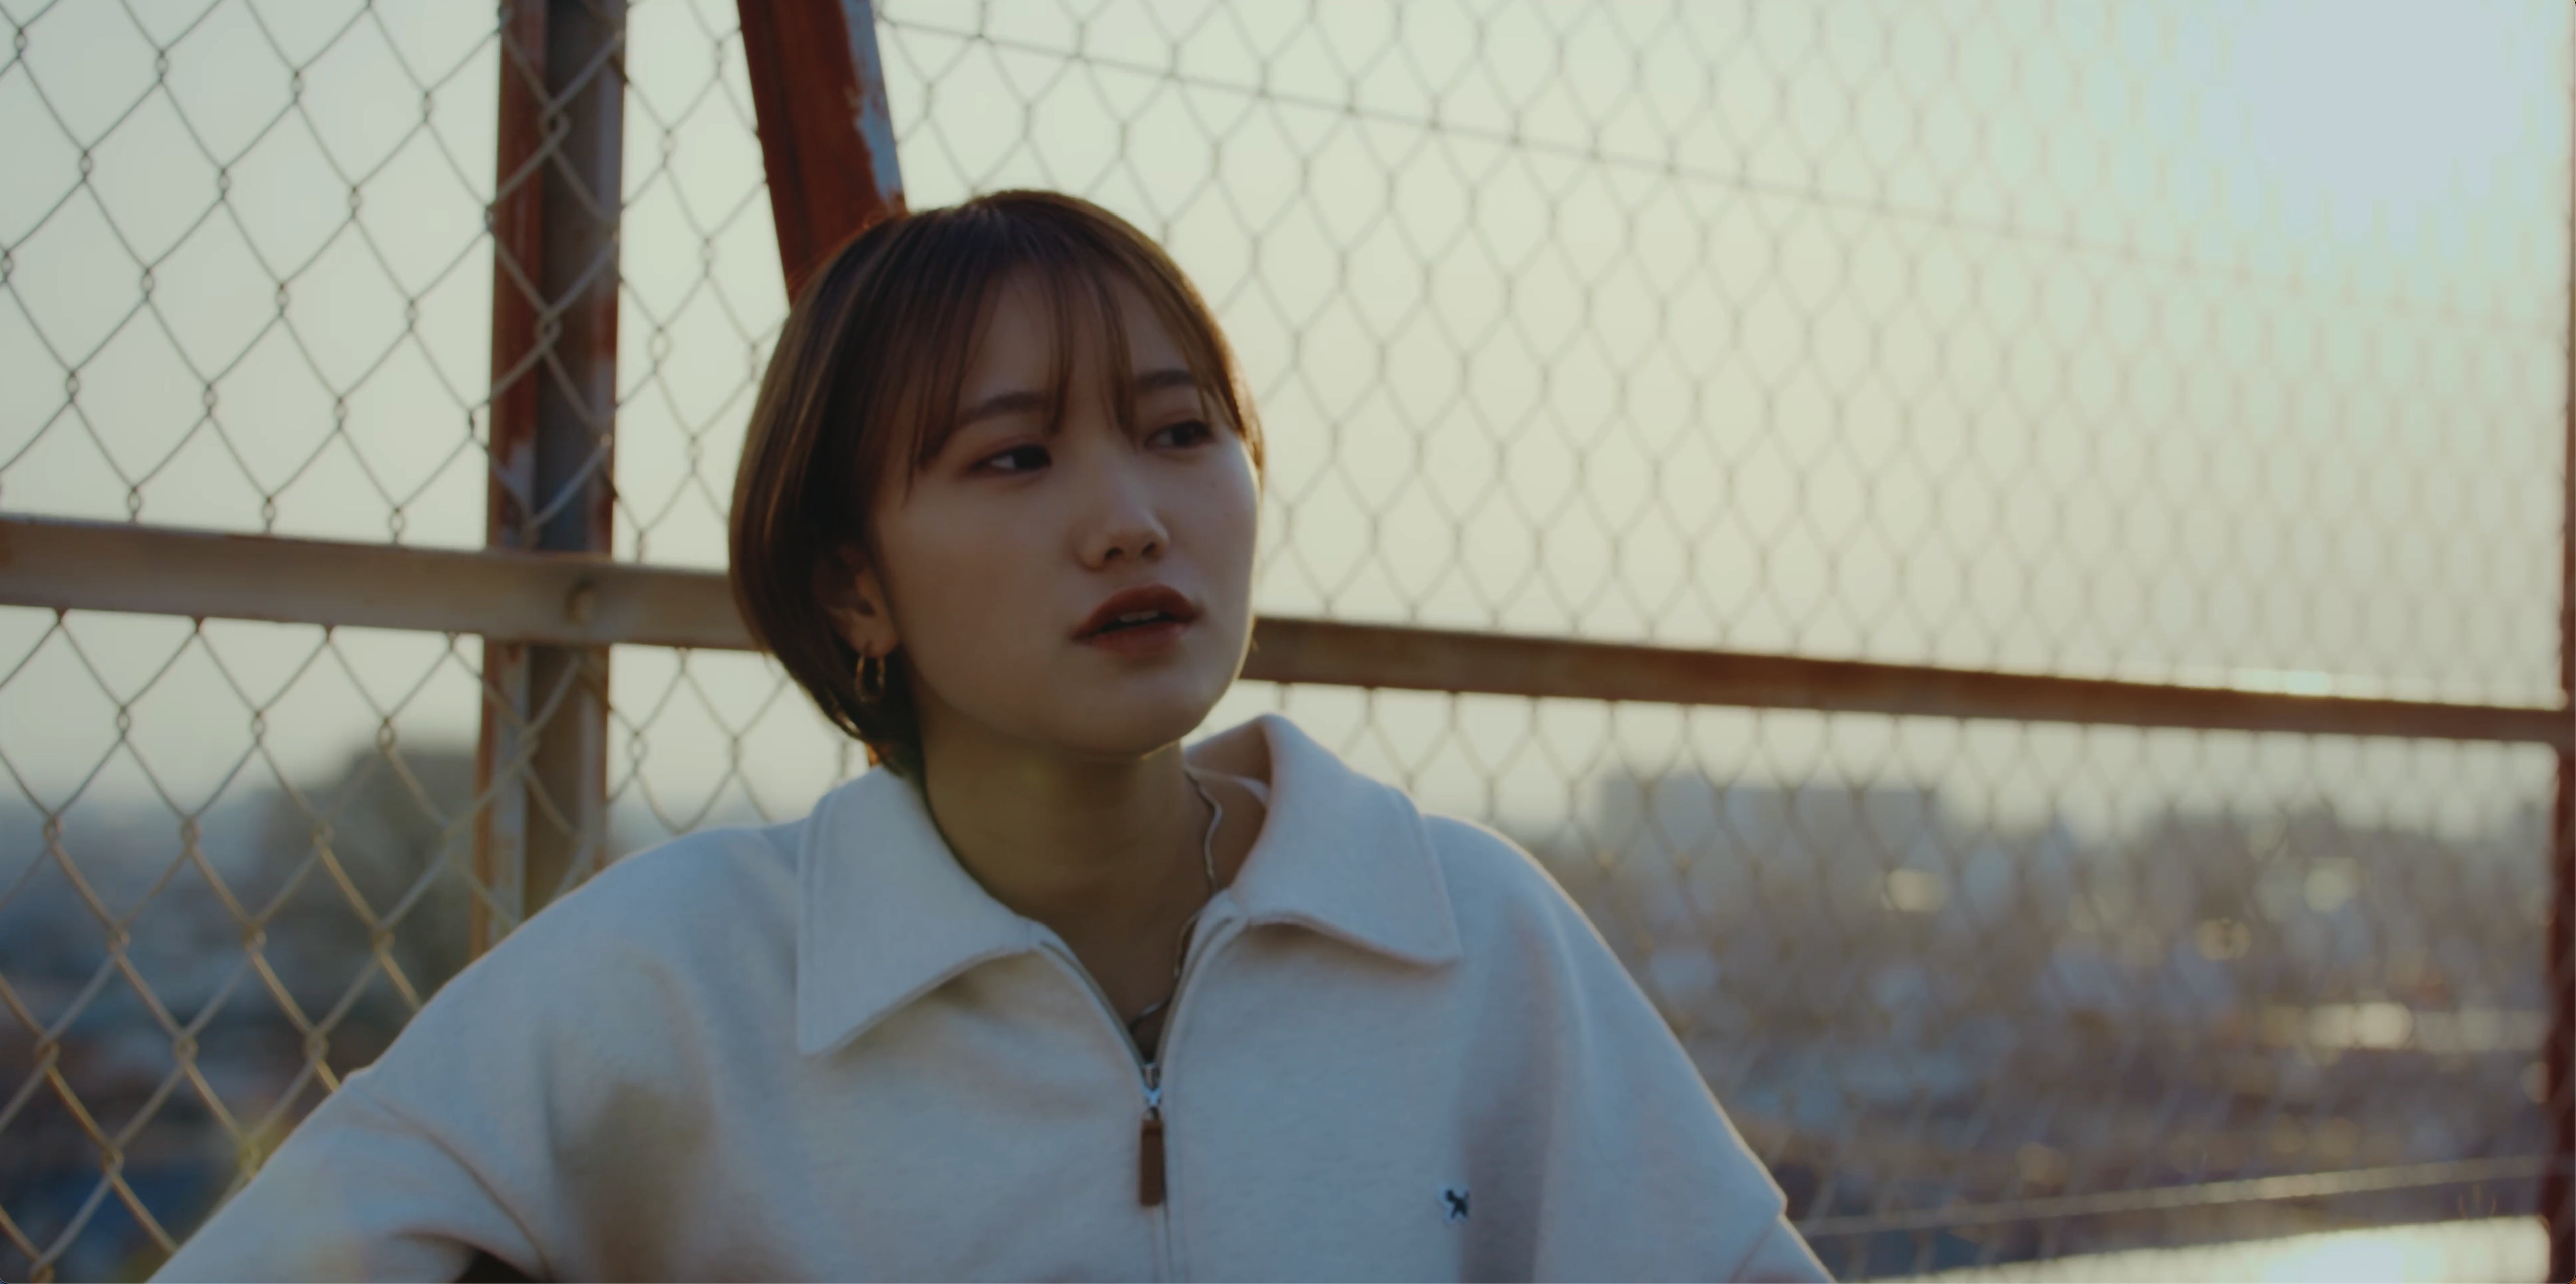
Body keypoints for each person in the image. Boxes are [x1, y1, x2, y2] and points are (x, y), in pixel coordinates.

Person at [153, 190, 1829, 1282]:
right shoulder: (684, 978)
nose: (1129, 519)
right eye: (1015, 458)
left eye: (1181, 432)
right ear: (852, 583)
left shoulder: (1463, 931)